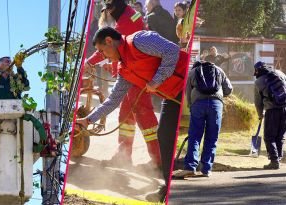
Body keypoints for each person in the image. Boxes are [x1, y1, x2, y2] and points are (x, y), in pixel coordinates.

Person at [77, 27, 189, 202]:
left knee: (166, 136)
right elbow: (112, 101)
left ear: (109, 41)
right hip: (171, 95)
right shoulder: (124, 70)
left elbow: (172, 50)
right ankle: (167, 190)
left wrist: (157, 80)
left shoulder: (139, 40)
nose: (103, 55)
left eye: (101, 51)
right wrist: (88, 120)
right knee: (164, 136)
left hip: (188, 85)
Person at [85, 0, 162, 168]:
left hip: (135, 74)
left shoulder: (126, 20)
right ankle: (124, 157)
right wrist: (111, 65)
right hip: (132, 71)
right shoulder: (129, 15)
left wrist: (89, 62)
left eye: (110, 8)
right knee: (126, 117)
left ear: (118, 5)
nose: (109, 12)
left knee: (144, 115)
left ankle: (158, 159)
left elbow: (110, 46)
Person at [173, 61, 232, 178]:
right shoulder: (219, 70)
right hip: (216, 105)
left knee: (194, 136)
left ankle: (190, 166)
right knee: (212, 137)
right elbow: (229, 89)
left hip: (198, 104)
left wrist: (191, 105)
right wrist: (219, 95)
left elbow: (188, 91)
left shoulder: (193, 72)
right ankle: (206, 169)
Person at [253, 61, 286, 169]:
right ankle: (278, 159)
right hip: (285, 109)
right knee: (280, 136)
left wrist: (260, 114)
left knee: (269, 137)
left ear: (258, 70)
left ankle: (274, 161)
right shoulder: (280, 74)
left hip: (272, 111)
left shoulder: (258, 82)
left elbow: (258, 102)